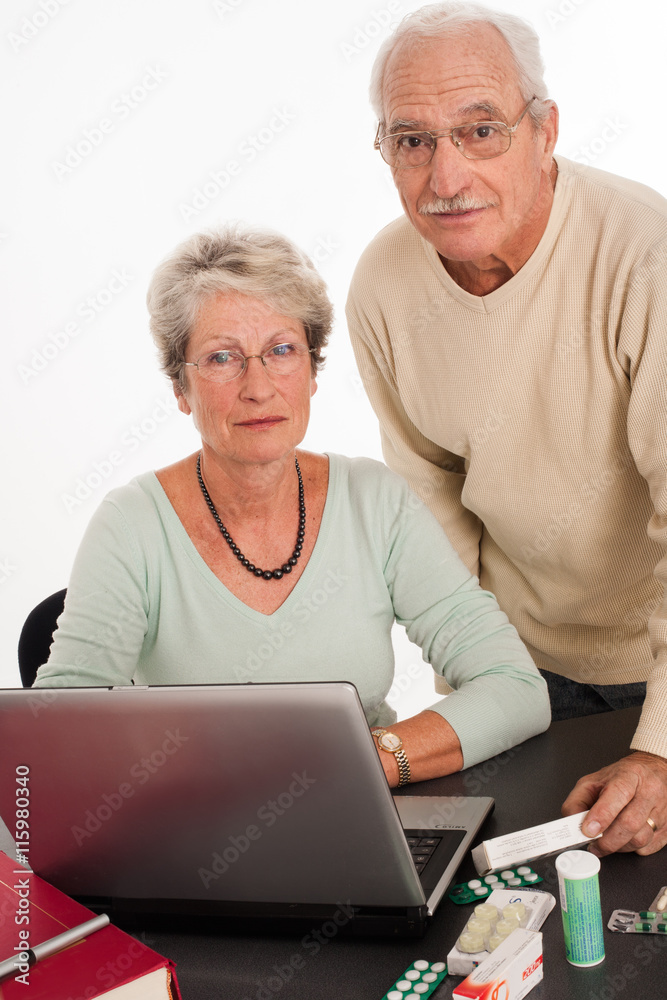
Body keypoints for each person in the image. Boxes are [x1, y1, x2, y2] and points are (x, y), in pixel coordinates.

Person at [33, 224, 549, 787]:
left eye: (281, 350)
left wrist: (364, 762)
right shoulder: (131, 526)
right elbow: (55, 740)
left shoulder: (374, 502)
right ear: (181, 388)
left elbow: (514, 688)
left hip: (368, 808)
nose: (258, 387)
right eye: (222, 357)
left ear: (311, 371)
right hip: (196, 828)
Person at [346, 1, 667, 850]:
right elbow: (433, 524)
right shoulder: (384, 285)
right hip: (519, 669)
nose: (445, 177)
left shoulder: (643, 255)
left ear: (544, 129)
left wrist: (660, 751)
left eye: (479, 130)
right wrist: (480, 691)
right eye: (411, 140)